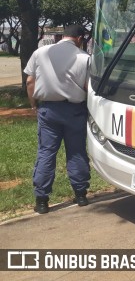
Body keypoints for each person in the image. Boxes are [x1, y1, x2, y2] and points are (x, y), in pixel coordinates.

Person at [24, 24, 91, 214]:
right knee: (76, 152)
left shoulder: (40, 52)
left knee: (46, 152)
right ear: (79, 39)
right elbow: (88, 87)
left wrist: (33, 105)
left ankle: (42, 200)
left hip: (48, 111)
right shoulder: (85, 58)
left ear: (63, 36)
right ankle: (81, 195)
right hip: (75, 111)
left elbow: (30, 82)